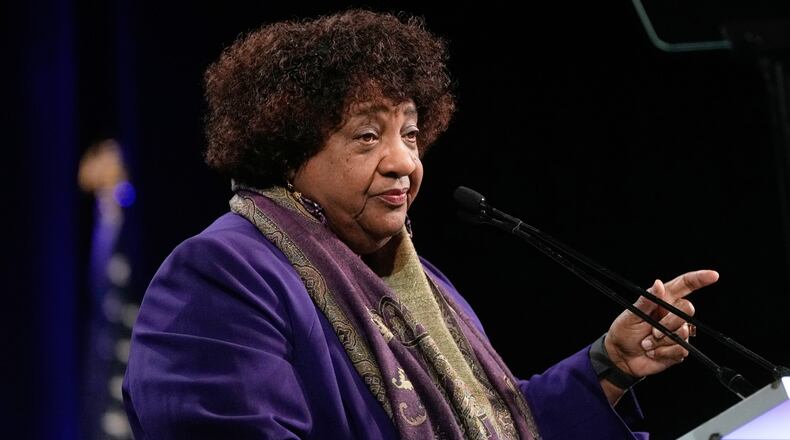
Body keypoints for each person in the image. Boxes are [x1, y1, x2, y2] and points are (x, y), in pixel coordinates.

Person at [122, 9, 718, 439]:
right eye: (367, 135)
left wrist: (608, 365)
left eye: (410, 132)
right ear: (287, 152)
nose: (405, 162)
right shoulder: (224, 273)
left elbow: (496, 424)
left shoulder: (419, 283)